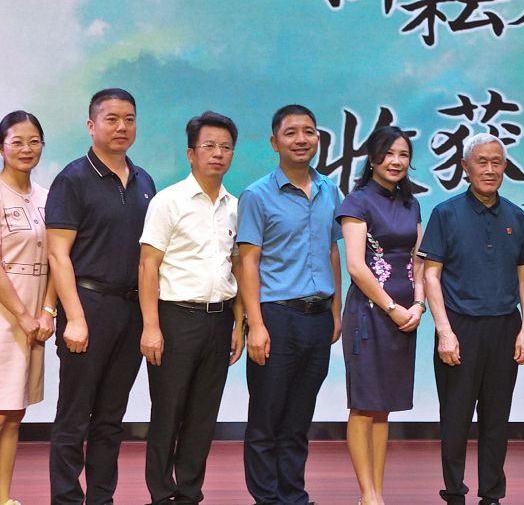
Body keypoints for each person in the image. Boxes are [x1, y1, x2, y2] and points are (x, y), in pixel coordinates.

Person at [46, 88, 157, 505]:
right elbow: (58, 254)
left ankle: (101, 499)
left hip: (131, 309)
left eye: (129, 119)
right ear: (91, 126)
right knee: (74, 416)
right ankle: (66, 499)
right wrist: (73, 317)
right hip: (88, 306)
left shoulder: (144, 180)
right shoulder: (73, 179)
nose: (121, 127)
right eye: (111, 119)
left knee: (111, 418)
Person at [421, 133, 524, 505]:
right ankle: (454, 492)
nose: (489, 169)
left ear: (505, 167)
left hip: (504, 327)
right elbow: (431, 274)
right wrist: (444, 331)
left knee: (497, 417)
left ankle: (492, 494)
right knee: (455, 417)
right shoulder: (446, 213)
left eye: (496, 162)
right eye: (481, 162)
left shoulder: (516, 216)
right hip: (460, 327)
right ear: (465, 168)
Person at [138, 111, 246, 505]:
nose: (218, 153)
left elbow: (236, 266)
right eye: (209, 146)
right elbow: (147, 266)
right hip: (175, 318)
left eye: (226, 147)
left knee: (203, 415)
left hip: (219, 320)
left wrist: (239, 323)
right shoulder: (168, 201)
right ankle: (160, 493)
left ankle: (188, 492)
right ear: (191, 153)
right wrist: (151, 326)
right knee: (168, 411)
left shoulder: (236, 206)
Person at [237, 104, 343, 505]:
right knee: (266, 416)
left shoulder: (330, 190)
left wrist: (336, 311)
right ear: (274, 142)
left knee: (299, 418)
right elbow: (248, 262)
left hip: (318, 318)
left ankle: (293, 495)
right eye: (291, 132)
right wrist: (255, 324)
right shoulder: (257, 195)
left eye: (309, 132)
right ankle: (267, 498)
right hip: (276, 317)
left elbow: (332, 251)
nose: (302, 139)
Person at [338, 125, 425, 505]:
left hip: (405, 316)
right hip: (370, 315)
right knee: (364, 404)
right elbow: (356, 266)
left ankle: (376, 493)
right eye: (388, 153)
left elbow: (419, 259)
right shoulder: (357, 202)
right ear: (372, 158)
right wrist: (392, 308)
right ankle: (368, 494)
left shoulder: (411, 204)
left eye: (403, 154)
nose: (396, 161)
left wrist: (418, 304)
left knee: (383, 407)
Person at [0, 111, 55, 505]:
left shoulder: (47, 197)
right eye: (17, 141)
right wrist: (21, 315)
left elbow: (58, 259)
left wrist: (48, 310)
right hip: (5, 316)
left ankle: (3, 497)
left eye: (34, 141)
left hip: (34, 317)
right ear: (2, 146)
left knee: (14, 414)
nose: (26, 148)